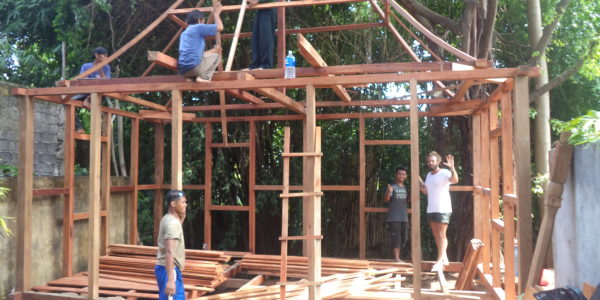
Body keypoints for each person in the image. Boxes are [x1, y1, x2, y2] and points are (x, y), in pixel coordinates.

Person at [419, 151, 459, 271]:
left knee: (441, 234)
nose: (430, 163)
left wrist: (452, 168)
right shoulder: (428, 175)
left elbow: (455, 180)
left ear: (438, 162)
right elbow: (426, 191)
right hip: (431, 208)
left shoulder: (444, 172)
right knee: (436, 234)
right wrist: (419, 180)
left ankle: (439, 260)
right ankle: (444, 257)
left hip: (443, 208)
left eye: (433, 160)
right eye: (429, 161)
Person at [155, 190, 188, 300]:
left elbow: (175, 234)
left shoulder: (168, 218)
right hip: (169, 270)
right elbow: (169, 251)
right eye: (183, 202)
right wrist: (170, 280)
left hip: (167, 269)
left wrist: (182, 218)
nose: (186, 205)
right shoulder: (172, 223)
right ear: (173, 204)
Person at [178, 5, 223, 83]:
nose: (204, 24)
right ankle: (204, 78)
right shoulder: (198, 27)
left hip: (183, 71)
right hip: (194, 67)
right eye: (203, 22)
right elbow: (220, 27)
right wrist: (216, 14)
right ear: (199, 20)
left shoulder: (184, 33)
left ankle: (191, 79)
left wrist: (214, 50)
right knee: (217, 57)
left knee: (205, 57)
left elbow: (198, 54)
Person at [72, 47, 111, 133]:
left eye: (106, 56)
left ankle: (98, 130)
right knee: (69, 102)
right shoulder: (86, 66)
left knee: (98, 105)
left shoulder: (106, 67)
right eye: (103, 56)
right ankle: (79, 127)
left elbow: (107, 83)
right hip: (85, 93)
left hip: (99, 94)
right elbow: (82, 81)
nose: (105, 58)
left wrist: (100, 69)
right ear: (96, 55)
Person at [383, 166, 409, 262]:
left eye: (403, 174)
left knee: (403, 239)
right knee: (396, 239)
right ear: (396, 175)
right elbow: (386, 200)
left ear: (406, 176)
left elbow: (407, 201)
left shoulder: (405, 188)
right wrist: (388, 193)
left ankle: (398, 257)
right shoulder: (392, 186)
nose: (401, 176)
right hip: (394, 217)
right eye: (399, 174)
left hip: (404, 217)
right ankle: (397, 258)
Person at [246, 0, 276, 70]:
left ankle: (266, 66)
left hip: (269, 6)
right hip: (260, 8)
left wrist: (258, 0)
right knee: (256, 37)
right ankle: (255, 65)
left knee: (266, 36)